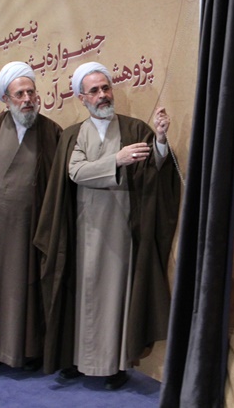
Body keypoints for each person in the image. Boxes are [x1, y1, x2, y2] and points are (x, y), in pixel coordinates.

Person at [33, 61, 181, 390]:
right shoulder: (73, 134)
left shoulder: (135, 128)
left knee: (115, 298)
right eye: (95, 91)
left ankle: (114, 366)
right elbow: (76, 172)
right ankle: (78, 360)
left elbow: (156, 170)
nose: (103, 95)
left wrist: (159, 139)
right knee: (81, 298)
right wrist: (117, 159)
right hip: (83, 229)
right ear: (82, 98)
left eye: (106, 88)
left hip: (121, 228)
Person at [0, 61, 62, 370]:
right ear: (5, 99)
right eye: (20, 94)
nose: (27, 99)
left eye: (31, 92)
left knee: (26, 292)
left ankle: (27, 352)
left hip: (32, 231)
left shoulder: (50, 132)